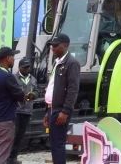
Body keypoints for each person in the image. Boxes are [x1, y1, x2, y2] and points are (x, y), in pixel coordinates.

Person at [0, 47, 28, 164]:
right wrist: (27, 96)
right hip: (4, 121)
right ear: (7, 58)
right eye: (13, 56)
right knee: (1, 154)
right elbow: (20, 95)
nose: (14, 59)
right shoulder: (8, 76)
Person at [45, 33, 81, 164]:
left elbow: (73, 89)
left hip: (60, 110)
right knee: (54, 143)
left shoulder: (72, 63)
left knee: (58, 143)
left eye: (55, 45)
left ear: (65, 45)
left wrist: (65, 111)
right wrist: (47, 111)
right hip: (52, 108)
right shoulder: (57, 63)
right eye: (52, 46)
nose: (53, 48)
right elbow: (52, 87)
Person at [9, 58, 37, 164]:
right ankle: (7, 158)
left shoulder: (33, 79)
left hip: (27, 111)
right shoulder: (13, 78)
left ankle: (13, 158)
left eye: (28, 67)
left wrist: (34, 94)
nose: (27, 69)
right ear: (19, 67)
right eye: (24, 67)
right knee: (12, 135)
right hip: (15, 111)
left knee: (20, 136)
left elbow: (37, 90)